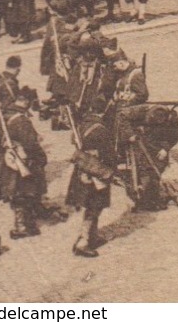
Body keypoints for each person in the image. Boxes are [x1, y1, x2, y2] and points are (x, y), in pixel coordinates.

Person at [0, 89, 48, 239]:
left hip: (11, 159)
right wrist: (41, 157)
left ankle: (25, 224)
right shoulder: (21, 120)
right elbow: (30, 144)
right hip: (23, 161)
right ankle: (21, 227)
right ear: (26, 101)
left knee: (19, 193)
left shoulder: (6, 113)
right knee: (24, 193)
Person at [66, 109, 114, 257]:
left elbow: (74, 140)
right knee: (94, 207)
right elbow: (109, 152)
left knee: (94, 205)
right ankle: (83, 242)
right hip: (96, 171)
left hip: (83, 170)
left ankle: (92, 236)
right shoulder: (101, 129)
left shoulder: (81, 126)